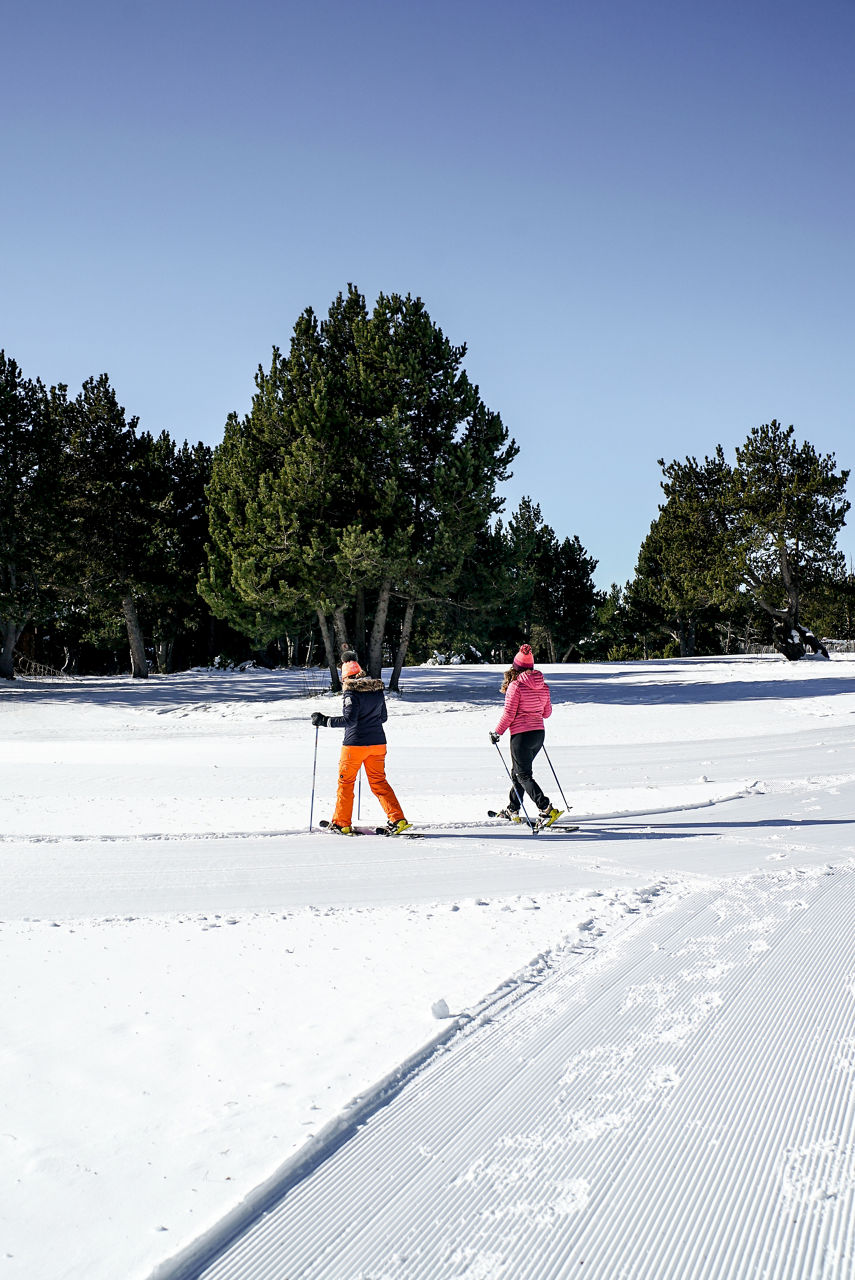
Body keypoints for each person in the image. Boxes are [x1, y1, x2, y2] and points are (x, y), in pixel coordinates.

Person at [311, 650, 411, 836]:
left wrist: (324, 721)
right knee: (379, 782)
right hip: (378, 744)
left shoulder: (351, 693)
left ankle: (342, 823)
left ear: (346, 677)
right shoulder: (376, 690)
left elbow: (350, 721)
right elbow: (383, 717)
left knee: (346, 783)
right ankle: (398, 820)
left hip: (354, 746)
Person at [489, 643, 562, 828]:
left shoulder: (516, 686)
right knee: (518, 773)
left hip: (521, 736)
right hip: (538, 735)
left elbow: (509, 714)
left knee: (523, 775)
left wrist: (497, 733)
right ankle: (513, 808)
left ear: (516, 667)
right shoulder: (543, 686)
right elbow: (547, 713)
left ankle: (546, 809)